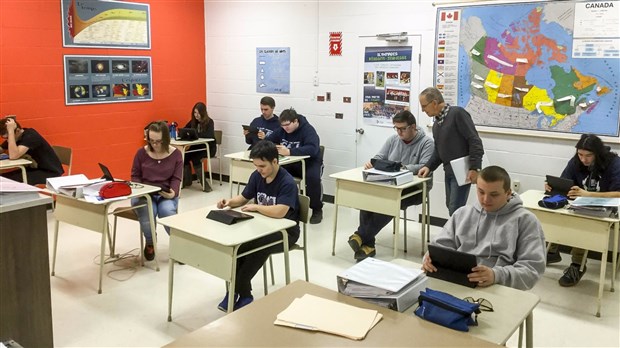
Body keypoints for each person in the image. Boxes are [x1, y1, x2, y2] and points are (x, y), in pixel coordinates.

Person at [423, 165, 546, 291]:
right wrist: (430, 259)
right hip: (459, 283)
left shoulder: (526, 221)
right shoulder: (463, 214)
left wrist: (496, 275)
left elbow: (532, 269)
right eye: (481, 192)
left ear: (508, 193)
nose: (486, 199)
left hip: (500, 288)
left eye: (494, 194)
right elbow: (439, 246)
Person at [215, 140, 300, 311]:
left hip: (285, 232)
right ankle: (240, 292)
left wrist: (257, 207)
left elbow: (281, 211)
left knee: (257, 248)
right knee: (239, 247)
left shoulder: (287, 182)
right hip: (262, 228)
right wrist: (229, 202)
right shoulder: (257, 176)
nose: (259, 169)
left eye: (262, 166)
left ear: (275, 161)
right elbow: (244, 197)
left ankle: (239, 291)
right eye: (256, 166)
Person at [348, 110, 434, 260]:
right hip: (389, 184)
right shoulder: (393, 140)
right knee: (368, 198)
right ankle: (368, 246)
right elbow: (379, 157)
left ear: (413, 127)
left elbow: (424, 166)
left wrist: (402, 167)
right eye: (396, 128)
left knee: (389, 202)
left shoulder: (427, 143)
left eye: (402, 128)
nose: (399, 132)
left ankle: (361, 235)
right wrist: (372, 162)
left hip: (416, 189)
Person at [545, 134, 620, 287]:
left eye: (588, 155)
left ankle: (577, 265)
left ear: (597, 154)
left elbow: (618, 193)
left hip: (607, 207)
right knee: (553, 213)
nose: (583, 160)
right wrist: (552, 186)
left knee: (582, 222)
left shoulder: (614, 163)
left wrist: (588, 194)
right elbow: (565, 181)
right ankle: (552, 252)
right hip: (579, 204)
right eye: (580, 154)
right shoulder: (575, 162)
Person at [417, 87, 484, 216]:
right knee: (451, 207)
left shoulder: (457, 113)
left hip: (462, 171)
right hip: (448, 171)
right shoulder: (437, 124)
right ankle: (456, 234)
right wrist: (428, 166)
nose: (423, 110)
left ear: (435, 103)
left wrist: (475, 168)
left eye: (424, 106)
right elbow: (438, 150)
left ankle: (457, 235)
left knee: (455, 210)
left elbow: (474, 141)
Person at [131, 121, 183, 261]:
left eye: (159, 141)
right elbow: (135, 176)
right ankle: (150, 242)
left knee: (167, 211)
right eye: (151, 141)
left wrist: (173, 192)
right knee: (148, 212)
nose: (155, 145)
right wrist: (140, 190)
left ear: (165, 139)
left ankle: (179, 243)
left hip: (166, 194)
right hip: (144, 194)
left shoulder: (176, 154)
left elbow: (177, 178)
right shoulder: (141, 153)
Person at [266, 107, 323, 224]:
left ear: (295, 121)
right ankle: (282, 204)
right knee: (274, 174)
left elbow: (313, 149)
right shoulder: (282, 130)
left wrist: (290, 151)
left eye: (287, 125)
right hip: (290, 163)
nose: (285, 128)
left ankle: (317, 209)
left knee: (313, 179)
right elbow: (268, 141)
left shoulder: (308, 130)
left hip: (310, 163)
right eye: (283, 125)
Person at [0, 116, 63, 184]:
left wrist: (11, 132)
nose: (8, 140)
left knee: (6, 182)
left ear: (17, 130)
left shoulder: (31, 136)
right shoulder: (16, 137)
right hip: (33, 170)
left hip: (49, 172)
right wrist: (11, 133)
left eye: (8, 137)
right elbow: (1, 149)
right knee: (2, 178)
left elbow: (13, 156)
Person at [182, 102, 216, 192]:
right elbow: (185, 129)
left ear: (203, 113)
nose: (196, 115)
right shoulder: (193, 122)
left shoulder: (209, 122)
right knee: (184, 157)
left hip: (208, 148)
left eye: (198, 113)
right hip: (196, 148)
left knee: (195, 158)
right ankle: (187, 180)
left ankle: (205, 185)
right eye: (194, 113)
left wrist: (196, 134)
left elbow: (209, 135)